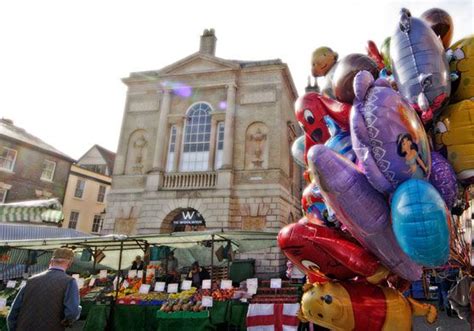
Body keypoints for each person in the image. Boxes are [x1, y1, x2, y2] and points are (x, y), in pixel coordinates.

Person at [7, 248, 81, 331]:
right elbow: (72, 312)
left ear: (51, 261)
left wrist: (13, 329)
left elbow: (13, 312)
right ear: (70, 263)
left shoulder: (31, 280)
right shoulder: (69, 282)